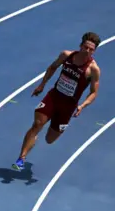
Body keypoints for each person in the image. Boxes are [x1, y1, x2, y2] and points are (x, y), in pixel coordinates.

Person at [12, 32, 101, 171]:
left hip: (68, 107)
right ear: (80, 45)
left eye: (91, 49)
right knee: (37, 124)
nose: (87, 51)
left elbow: (94, 92)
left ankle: (38, 136)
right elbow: (53, 67)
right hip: (54, 97)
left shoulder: (93, 69)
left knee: (49, 139)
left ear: (94, 50)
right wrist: (42, 85)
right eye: (85, 47)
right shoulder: (67, 55)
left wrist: (83, 105)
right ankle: (21, 159)